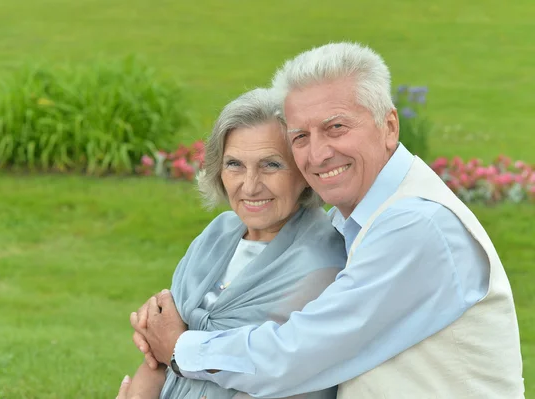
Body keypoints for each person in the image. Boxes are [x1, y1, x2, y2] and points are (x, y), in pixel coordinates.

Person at [131, 42, 525, 398]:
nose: (317, 155)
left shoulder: (417, 224)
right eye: (300, 136)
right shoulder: (352, 221)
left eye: (335, 127)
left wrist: (181, 347)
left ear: (389, 127)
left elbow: (299, 354)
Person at [119, 88, 344, 399]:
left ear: (303, 170)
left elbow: (280, 376)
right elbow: (157, 357)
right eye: (235, 164)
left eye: (271, 165)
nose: (250, 186)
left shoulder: (322, 263)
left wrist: (173, 342)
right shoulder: (218, 234)